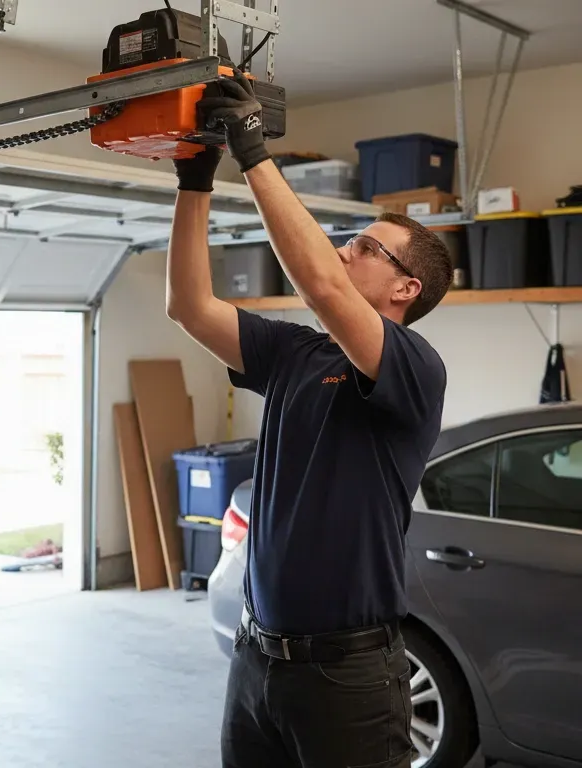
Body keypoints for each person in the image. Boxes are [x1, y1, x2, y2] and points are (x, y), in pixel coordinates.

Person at [166, 75, 453, 768]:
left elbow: (322, 286)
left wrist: (253, 152)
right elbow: (189, 307)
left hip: (348, 677)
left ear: (405, 289)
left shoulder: (414, 368)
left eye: (363, 247)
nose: (343, 252)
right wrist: (196, 183)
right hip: (257, 657)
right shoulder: (297, 351)